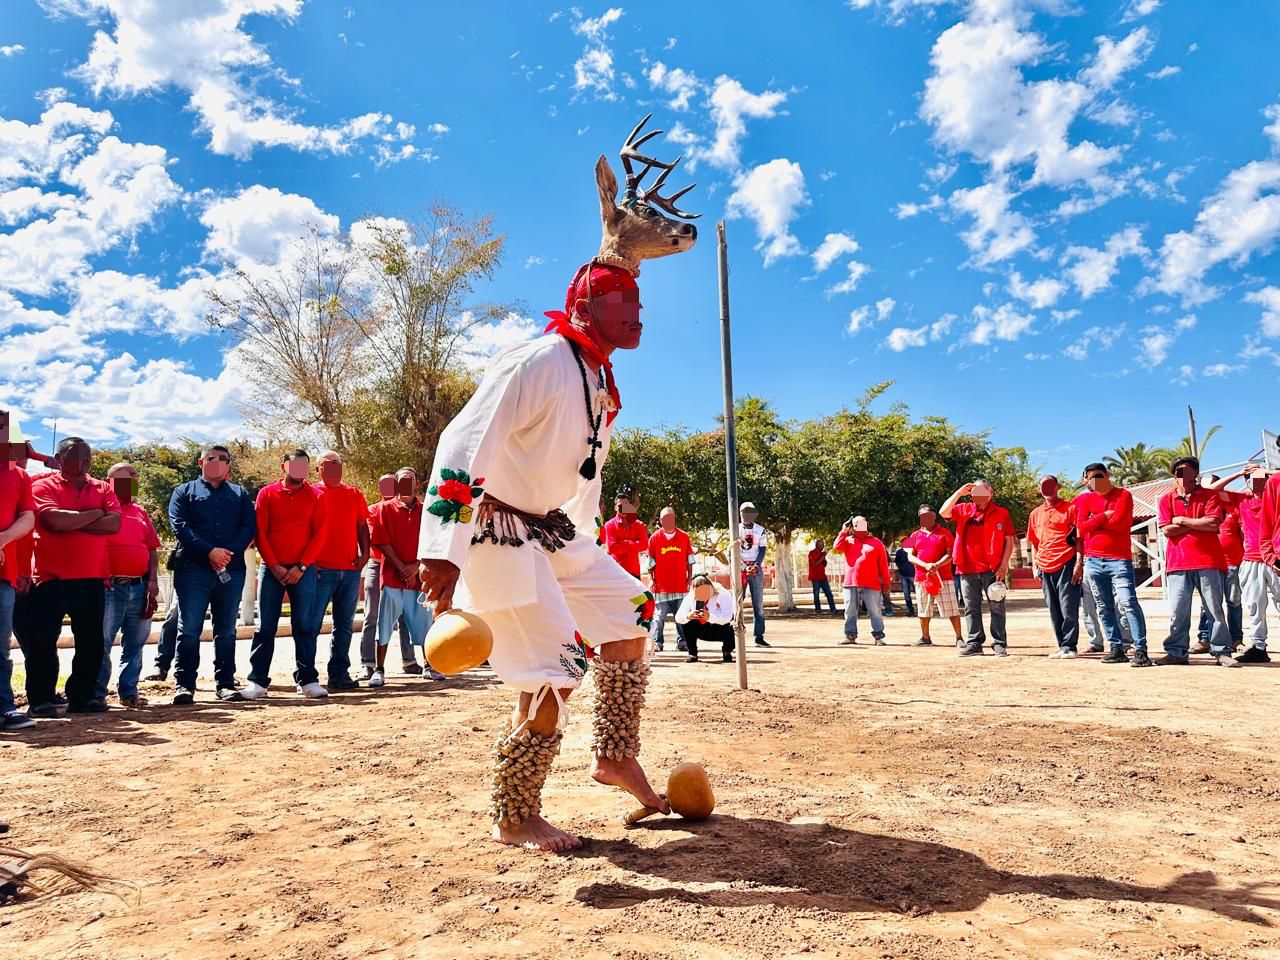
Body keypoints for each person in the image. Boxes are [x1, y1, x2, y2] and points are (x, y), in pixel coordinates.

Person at [416, 257, 681, 854]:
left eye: (640, 306)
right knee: (555, 667)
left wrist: (579, 544)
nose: (640, 317)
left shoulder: (597, 379)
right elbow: (462, 439)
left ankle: (615, 756)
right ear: (586, 310)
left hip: (553, 530)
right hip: (495, 531)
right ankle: (515, 815)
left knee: (631, 610)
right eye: (625, 307)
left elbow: (583, 477)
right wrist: (442, 548)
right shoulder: (538, 360)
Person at [27, 438, 121, 716]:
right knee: (43, 642)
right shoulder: (42, 485)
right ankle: (41, 699)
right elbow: (53, 522)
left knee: (91, 642)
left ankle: (82, 697)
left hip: (92, 578)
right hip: (50, 579)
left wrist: (75, 521)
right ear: (59, 458)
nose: (84, 461)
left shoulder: (103, 487)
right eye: (76, 456)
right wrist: (95, 514)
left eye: (87, 456)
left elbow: (114, 523)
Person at [169, 445, 256, 703]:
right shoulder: (183, 492)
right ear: (201, 462)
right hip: (192, 571)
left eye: (224, 459)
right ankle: (184, 685)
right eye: (211, 458)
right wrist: (210, 551)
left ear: (229, 465)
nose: (218, 462)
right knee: (189, 629)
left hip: (231, 569)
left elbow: (248, 526)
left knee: (227, 629)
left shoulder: (240, 494)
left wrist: (226, 553)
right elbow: (180, 526)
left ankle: (225, 683)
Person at [244, 449, 330, 700]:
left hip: (303, 571)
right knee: (265, 627)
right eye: (295, 466)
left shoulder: (317, 496)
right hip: (271, 571)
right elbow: (261, 532)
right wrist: (274, 566)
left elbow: (320, 534)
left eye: (304, 466)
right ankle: (258, 682)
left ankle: (308, 680)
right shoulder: (267, 494)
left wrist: (301, 567)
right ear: (284, 467)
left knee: (304, 626)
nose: (300, 471)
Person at [1157, 456, 1233, 667]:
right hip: (1178, 563)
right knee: (1178, 611)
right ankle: (1176, 652)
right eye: (1180, 472)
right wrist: (1197, 524)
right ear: (1175, 475)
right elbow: (1166, 530)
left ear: (1196, 474)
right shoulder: (1166, 499)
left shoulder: (1210, 496)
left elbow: (1213, 523)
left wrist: (1181, 520)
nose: (1184, 476)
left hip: (1209, 561)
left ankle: (1222, 651)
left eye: (1189, 471)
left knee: (1214, 609)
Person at [96, 463, 160, 707]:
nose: (132, 480)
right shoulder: (100, 510)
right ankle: (97, 693)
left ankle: (129, 691)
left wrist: (152, 580)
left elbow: (152, 549)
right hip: (110, 587)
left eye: (134, 477)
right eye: (125, 476)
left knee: (135, 643)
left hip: (139, 587)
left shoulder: (140, 512)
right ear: (109, 481)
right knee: (102, 642)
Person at [1074, 462, 1148, 666]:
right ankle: (1116, 647)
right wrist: (1103, 516)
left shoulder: (1123, 495)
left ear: (1107, 475)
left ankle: (1140, 649)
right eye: (1091, 477)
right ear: (1085, 480)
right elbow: (1080, 527)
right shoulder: (1083, 500)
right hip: (1093, 560)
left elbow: (1120, 524)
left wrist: (1094, 521)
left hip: (1119, 560)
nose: (1095, 480)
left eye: (1099, 476)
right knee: (1103, 607)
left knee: (1128, 603)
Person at [367, 467, 436, 687]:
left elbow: (432, 543)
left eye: (411, 480)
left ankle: (429, 665)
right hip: (392, 576)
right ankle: (379, 670)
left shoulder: (427, 511)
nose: (407, 484)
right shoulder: (385, 509)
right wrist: (401, 568)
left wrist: (415, 568)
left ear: (417, 483)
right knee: (384, 623)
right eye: (403, 481)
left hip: (419, 579)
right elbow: (381, 540)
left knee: (425, 623)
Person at [310, 451, 370, 691]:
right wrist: (308, 561)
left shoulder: (354, 494)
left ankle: (339, 674)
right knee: (311, 625)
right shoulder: (311, 493)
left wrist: (365, 553)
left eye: (338, 464)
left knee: (344, 625)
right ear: (318, 469)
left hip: (350, 569)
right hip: (320, 570)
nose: (334, 468)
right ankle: (306, 676)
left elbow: (361, 525)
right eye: (328, 464)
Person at [940, 480, 1015, 657]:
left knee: (996, 606)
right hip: (967, 568)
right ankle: (974, 643)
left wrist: (1004, 565)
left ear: (990, 492)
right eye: (974, 491)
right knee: (970, 607)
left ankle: (999, 643)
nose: (977, 494)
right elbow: (944, 512)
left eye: (981, 490)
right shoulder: (964, 509)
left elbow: (1009, 540)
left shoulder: (1002, 513)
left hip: (992, 568)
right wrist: (959, 492)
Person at [359, 474, 419, 678]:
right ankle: (368, 663)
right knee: (372, 615)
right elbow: (376, 539)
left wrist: (410, 568)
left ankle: (409, 660)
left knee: (405, 616)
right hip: (379, 566)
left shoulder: (409, 509)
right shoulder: (375, 509)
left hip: (403, 568)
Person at [0, 414, 37, 730]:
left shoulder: (19, 476)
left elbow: (28, 517)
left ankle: (4, 708)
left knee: (1, 647)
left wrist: (4, 538)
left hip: (5, 574)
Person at [1027, 475, 1083, 659]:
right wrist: (1035, 565)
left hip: (1066, 562)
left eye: (1051, 485)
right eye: (1044, 486)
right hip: (1044, 565)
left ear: (1057, 487)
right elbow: (1035, 542)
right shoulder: (1035, 514)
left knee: (1068, 606)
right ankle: (1061, 645)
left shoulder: (1071, 508)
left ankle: (1070, 645)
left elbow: (1079, 539)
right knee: (1053, 608)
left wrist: (1079, 563)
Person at [1195, 473, 1244, 653]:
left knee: (1234, 602)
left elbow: (1242, 534)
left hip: (1233, 563)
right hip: (1210, 563)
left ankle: (1236, 639)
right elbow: (1209, 490)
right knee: (1208, 603)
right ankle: (1204, 639)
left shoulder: (1233, 506)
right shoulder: (1203, 507)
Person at [902, 504, 963, 647]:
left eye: (929, 515)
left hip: (944, 577)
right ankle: (925, 637)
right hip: (922, 578)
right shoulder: (913, 536)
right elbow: (910, 556)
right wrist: (926, 565)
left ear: (934, 516)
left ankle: (959, 637)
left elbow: (950, 555)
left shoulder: (945, 533)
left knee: (952, 608)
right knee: (923, 609)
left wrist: (936, 565)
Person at [1235, 466, 1275, 664]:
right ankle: (1258, 646)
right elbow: (1215, 490)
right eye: (1252, 479)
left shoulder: (1276, 497)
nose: (1257, 481)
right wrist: (1240, 473)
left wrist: (1267, 471)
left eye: (1262, 478)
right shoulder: (1241, 500)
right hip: (1251, 560)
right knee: (1254, 606)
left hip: (1275, 558)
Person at [833, 516, 890, 646]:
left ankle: (878, 636)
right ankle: (850, 636)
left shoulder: (876, 543)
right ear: (852, 527)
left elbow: (883, 564)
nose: (860, 526)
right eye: (856, 524)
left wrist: (886, 582)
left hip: (871, 583)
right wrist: (843, 531)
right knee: (850, 611)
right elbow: (836, 546)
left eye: (862, 523)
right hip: (851, 582)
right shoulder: (847, 541)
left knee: (875, 611)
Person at [646, 507, 695, 652]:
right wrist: (650, 579)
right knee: (659, 617)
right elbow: (650, 562)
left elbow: (689, 560)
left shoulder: (684, 537)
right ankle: (658, 642)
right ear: (660, 521)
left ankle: (682, 641)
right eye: (664, 518)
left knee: (681, 617)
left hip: (680, 585)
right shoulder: (654, 538)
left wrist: (689, 578)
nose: (667, 521)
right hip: (661, 586)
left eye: (670, 518)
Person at [674, 574, 735, 663]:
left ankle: (727, 651)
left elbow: (727, 617)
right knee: (686, 621)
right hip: (702, 628)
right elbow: (678, 617)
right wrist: (688, 616)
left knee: (731, 625)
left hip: (722, 629)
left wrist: (710, 617)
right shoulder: (691, 595)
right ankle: (693, 654)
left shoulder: (723, 594)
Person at [738, 502, 770, 647]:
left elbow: (762, 549)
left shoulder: (761, 530)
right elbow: (732, 551)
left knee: (758, 604)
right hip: (740, 570)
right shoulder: (735, 529)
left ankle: (759, 636)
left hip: (756, 570)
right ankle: (736, 633)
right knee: (737, 603)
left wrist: (756, 565)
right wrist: (744, 567)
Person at [601, 487, 648, 578]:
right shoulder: (609, 525)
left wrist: (624, 543)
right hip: (616, 572)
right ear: (615, 508)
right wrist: (634, 545)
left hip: (635, 572)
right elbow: (612, 548)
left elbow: (644, 545)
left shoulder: (638, 525)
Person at [808, 538, 837, 614]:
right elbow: (815, 563)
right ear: (817, 545)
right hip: (815, 577)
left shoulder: (821, 554)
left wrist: (823, 557)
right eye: (821, 545)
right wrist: (823, 556)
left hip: (823, 577)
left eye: (823, 545)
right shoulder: (812, 553)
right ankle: (818, 609)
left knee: (829, 593)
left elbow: (824, 564)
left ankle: (833, 609)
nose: (823, 546)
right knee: (816, 594)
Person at [892, 540, 916, 617]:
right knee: (906, 594)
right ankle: (910, 610)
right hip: (903, 575)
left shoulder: (914, 551)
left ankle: (921, 610)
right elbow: (897, 561)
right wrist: (900, 569)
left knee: (918, 593)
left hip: (913, 575)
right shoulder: (899, 552)